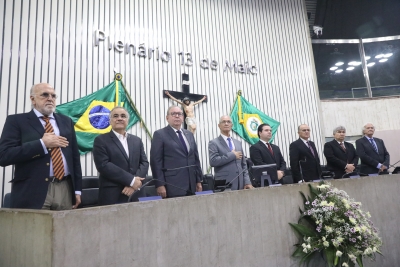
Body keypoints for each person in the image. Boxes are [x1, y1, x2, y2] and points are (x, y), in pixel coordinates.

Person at [0, 83, 82, 210]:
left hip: (65, 188)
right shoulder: (16, 121)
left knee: (63, 229)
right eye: (45, 95)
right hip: (33, 190)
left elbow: (74, 157)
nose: (50, 98)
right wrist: (42, 144)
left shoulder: (66, 121)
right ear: (32, 99)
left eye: (53, 96)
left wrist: (77, 190)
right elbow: (4, 156)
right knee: (34, 229)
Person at [92, 106, 149, 205]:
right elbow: (104, 165)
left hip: (136, 192)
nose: (119, 118)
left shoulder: (137, 140)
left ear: (127, 120)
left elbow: (144, 163)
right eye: (115, 116)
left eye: (123, 116)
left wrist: (134, 184)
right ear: (110, 121)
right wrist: (131, 181)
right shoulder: (101, 140)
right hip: (113, 195)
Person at [150, 106, 203, 198]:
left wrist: (198, 181)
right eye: (173, 114)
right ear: (167, 118)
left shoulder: (189, 134)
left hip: (192, 183)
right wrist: (159, 184)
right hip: (172, 185)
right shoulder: (160, 134)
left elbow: (195, 159)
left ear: (183, 118)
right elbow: (156, 161)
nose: (177, 116)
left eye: (180, 114)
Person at [208, 115, 253, 190]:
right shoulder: (214, 143)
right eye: (223, 122)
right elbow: (213, 161)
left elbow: (244, 165)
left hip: (241, 184)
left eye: (228, 122)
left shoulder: (238, 142)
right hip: (224, 183)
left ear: (231, 125)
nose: (226, 124)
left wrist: (247, 182)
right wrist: (232, 155)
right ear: (219, 126)